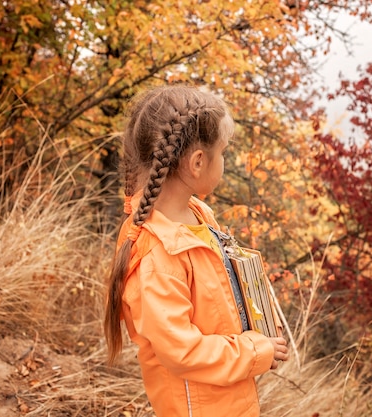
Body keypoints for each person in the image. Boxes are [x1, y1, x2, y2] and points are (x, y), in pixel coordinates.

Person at [104, 85, 289, 417]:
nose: (225, 159)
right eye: (224, 152)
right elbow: (182, 351)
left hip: (231, 397)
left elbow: (215, 303)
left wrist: (260, 332)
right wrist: (254, 351)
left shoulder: (199, 215)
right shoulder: (158, 258)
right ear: (198, 162)